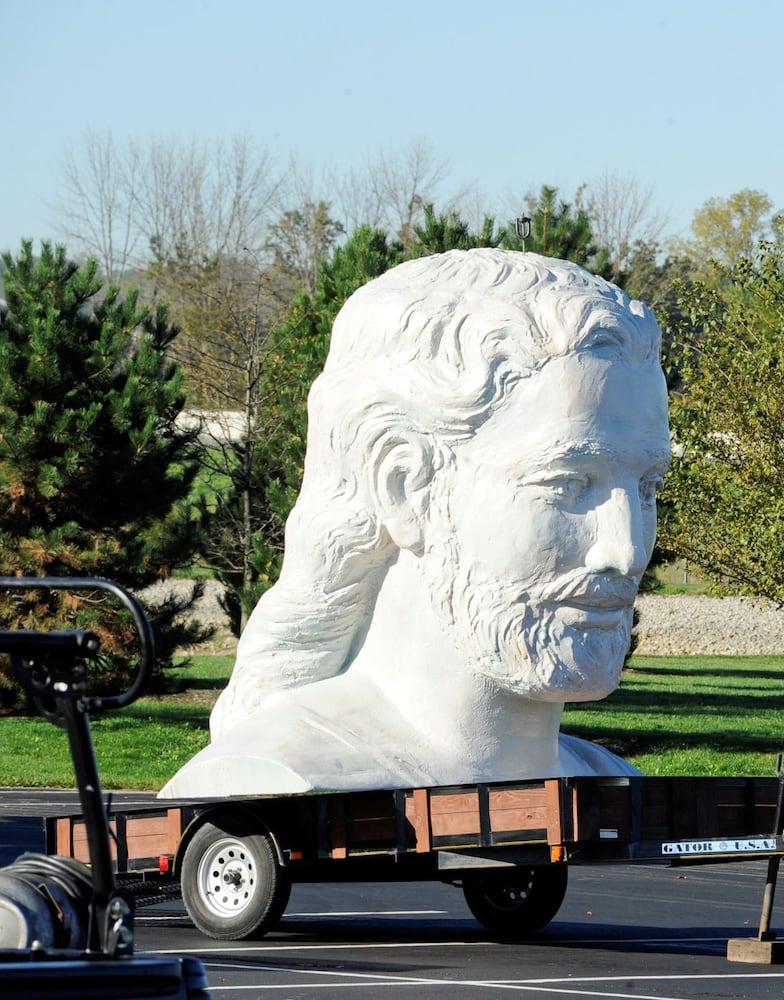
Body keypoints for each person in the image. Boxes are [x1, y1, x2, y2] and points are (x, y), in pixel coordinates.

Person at [160, 249, 670, 797]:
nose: (627, 549)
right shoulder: (289, 773)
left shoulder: (602, 781)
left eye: (646, 489)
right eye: (567, 484)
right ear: (402, 483)